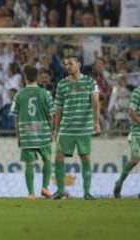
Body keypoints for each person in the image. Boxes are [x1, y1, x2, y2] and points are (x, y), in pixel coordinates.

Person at [53, 56, 101, 200]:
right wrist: (56, 129)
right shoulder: (62, 84)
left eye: (71, 63)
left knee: (85, 156)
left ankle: (87, 192)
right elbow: (58, 108)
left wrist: (96, 123)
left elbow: (96, 103)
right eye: (66, 64)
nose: (68, 66)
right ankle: (61, 191)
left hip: (83, 128)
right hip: (66, 128)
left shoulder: (90, 82)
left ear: (78, 64)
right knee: (58, 157)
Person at [10, 65, 54, 200]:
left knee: (29, 164)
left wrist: (18, 136)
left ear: (25, 78)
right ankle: (45, 188)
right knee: (47, 160)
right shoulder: (45, 93)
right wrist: (52, 132)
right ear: (37, 77)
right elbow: (51, 115)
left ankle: (31, 194)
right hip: (43, 132)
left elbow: (16, 117)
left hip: (27, 133)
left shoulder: (19, 95)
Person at [113, 86, 140, 198]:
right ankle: (119, 183)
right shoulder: (138, 91)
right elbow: (131, 112)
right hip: (137, 133)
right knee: (135, 159)